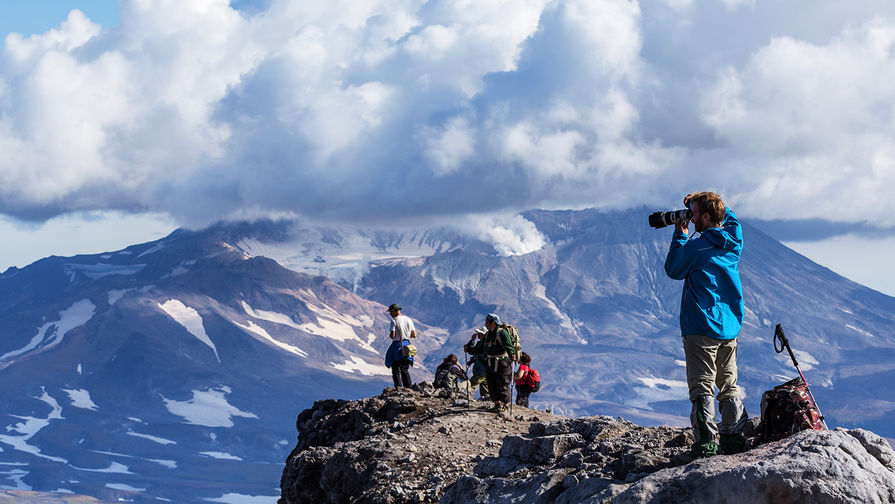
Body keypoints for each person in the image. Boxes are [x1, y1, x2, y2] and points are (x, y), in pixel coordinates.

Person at [664, 191, 748, 457]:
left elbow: (674, 269)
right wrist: (712, 203)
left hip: (701, 325)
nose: (692, 216)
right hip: (730, 326)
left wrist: (680, 233)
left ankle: (707, 443)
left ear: (708, 216)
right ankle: (734, 438)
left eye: (696, 212)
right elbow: (732, 220)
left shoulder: (697, 247)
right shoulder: (734, 241)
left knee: (702, 387)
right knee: (729, 384)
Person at [465, 313, 513, 414]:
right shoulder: (488, 334)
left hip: (502, 362)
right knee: (491, 383)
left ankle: (505, 405)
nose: (485, 324)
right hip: (490, 362)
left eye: (487, 322)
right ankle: (497, 404)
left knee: (503, 383)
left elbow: (509, 346)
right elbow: (480, 348)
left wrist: (512, 356)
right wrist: (469, 349)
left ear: (493, 323)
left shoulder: (502, 333)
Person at [384, 303, 416, 388]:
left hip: (397, 346)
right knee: (405, 369)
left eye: (390, 312)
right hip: (407, 345)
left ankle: (398, 387)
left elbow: (393, 336)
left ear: (394, 311)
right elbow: (414, 335)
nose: (390, 314)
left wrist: (391, 335)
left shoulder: (394, 320)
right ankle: (408, 387)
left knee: (396, 368)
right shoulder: (409, 320)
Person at [466, 327, 490, 401]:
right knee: (485, 388)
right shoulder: (485, 344)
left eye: (479, 333)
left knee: (470, 385)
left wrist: (472, 341)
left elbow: (472, 351)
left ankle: (467, 398)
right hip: (486, 371)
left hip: (480, 371)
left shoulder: (482, 344)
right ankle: (486, 402)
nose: (478, 334)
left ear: (483, 334)